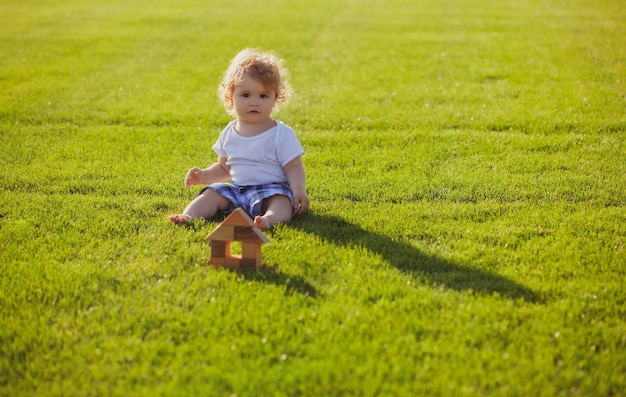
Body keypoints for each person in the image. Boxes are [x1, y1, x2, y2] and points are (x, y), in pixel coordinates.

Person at [169, 49, 309, 229]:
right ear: (231, 97)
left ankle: (268, 219)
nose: (254, 102)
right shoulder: (229, 132)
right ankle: (188, 215)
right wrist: (204, 175)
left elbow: (294, 166)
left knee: (282, 202)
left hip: (270, 190)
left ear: (275, 99)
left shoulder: (280, 133)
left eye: (263, 96)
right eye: (245, 95)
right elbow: (223, 168)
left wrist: (298, 190)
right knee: (211, 194)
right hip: (238, 191)